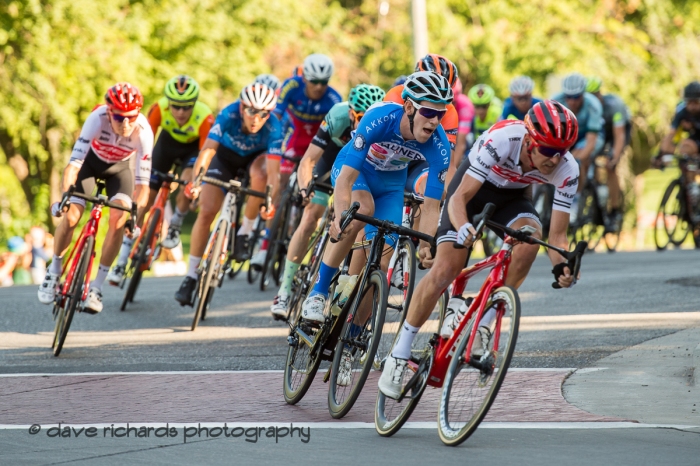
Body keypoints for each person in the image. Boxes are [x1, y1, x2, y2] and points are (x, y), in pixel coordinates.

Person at [378, 101, 580, 399]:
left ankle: (484, 326)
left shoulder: (567, 169)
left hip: (512, 198)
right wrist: (461, 229)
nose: (554, 160)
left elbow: (558, 236)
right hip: (471, 192)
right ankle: (399, 352)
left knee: (530, 241)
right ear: (529, 140)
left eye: (561, 152)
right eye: (548, 151)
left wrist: (562, 267)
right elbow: (459, 199)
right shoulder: (502, 140)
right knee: (447, 267)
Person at [299, 71, 452, 384]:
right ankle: (316, 293)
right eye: (429, 112)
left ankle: (349, 348)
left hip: (390, 187)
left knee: (381, 265)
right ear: (409, 107)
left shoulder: (439, 147)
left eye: (441, 114)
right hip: (357, 172)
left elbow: (432, 206)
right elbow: (343, 179)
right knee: (361, 211)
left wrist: (426, 245)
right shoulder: (380, 118)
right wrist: (341, 214)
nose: (435, 121)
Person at [269, 84, 386, 319]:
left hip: (359, 167)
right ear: (352, 113)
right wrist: (304, 188)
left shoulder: (380, 124)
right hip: (331, 158)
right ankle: (284, 290)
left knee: (357, 217)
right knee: (312, 214)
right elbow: (308, 160)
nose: (365, 121)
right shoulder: (337, 116)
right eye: (361, 117)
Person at [37, 83, 153, 313]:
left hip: (120, 171)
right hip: (90, 165)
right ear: (109, 112)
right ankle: (54, 271)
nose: (126, 123)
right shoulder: (96, 118)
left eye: (131, 116)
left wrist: (133, 217)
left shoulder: (144, 132)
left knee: (118, 220)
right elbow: (73, 167)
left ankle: (96, 287)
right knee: (70, 217)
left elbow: (143, 187)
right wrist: (65, 198)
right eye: (119, 117)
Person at [174, 83, 282, 306]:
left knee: (260, 175)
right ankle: (191, 277)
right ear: (242, 108)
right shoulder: (228, 114)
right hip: (224, 159)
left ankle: (245, 232)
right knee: (206, 213)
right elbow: (208, 151)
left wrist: (270, 200)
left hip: (254, 160)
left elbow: (274, 172)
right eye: (252, 111)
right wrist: (196, 181)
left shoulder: (274, 127)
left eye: (263, 114)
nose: (257, 118)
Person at [106, 75, 214, 285]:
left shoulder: (204, 117)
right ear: (168, 103)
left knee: (187, 181)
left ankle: (175, 224)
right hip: (165, 146)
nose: (180, 112)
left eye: (186, 107)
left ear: (194, 104)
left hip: (192, 151)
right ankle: (120, 262)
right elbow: (143, 142)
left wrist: (196, 184)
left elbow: (204, 155)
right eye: (176, 106)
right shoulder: (158, 109)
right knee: (143, 201)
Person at [252, 54, 342, 269]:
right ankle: (264, 247)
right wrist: (274, 144)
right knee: (281, 184)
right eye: (314, 82)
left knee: (311, 191)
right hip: (295, 137)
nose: (319, 87)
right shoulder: (291, 86)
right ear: (305, 78)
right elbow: (277, 116)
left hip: (318, 144)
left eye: (324, 82)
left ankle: (300, 232)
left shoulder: (334, 98)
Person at [384, 54, 460, 187]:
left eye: (444, 91)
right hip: (385, 158)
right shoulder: (396, 96)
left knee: (427, 189)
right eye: (430, 89)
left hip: (419, 161)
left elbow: (449, 165)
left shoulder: (450, 112)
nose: (437, 97)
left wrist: (450, 199)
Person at [586, 76, 632, 230]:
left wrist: (615, 156)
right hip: (600, 135)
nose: (593, 99)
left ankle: (614, 209)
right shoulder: (585, 108)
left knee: (610, 165)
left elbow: (619, 136)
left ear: (600, 93)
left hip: (617, 133)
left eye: (595, 95)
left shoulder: (614, 105)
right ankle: (597, 191)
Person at [551, 73, 604, 195]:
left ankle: (576, 196)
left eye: (576, 97)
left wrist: (576, 162)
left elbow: (591, 142)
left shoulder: (593, 105)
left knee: (577, 160)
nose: (572, 101)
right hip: (568, 135)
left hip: (588, 135)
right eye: (568, 97)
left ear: (583, 94)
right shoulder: (555, 102)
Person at [658, 81, 700, 158]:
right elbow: (671, 134)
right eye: (690, 102)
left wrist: (694, 125)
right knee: (686, 147)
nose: (693, 106)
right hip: (694, 141)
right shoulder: (682, 113)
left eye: (696, 102)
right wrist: (661, 154)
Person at [452, 77, 475, 172]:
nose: (449, 106)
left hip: (465, 136)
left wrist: (451, 172)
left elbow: (461, 145)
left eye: (452, 102)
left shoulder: (465, 105)